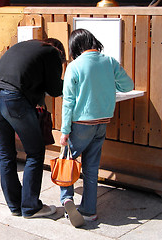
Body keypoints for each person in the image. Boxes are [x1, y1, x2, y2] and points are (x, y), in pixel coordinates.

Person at [59, 29, 134, 227]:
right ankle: (89, 211)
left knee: (67, 160)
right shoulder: (109, 62)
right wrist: (108, 85)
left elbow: (68, 102)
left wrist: (64, 131)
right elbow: (128, 86)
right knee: (91, 168)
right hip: (102, 122)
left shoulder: (74, 67)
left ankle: (67, 199)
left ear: (74, 47)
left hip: (80, 124)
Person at [0, 38, 66, 218]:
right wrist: (74, 83)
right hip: (13, 99)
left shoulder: (24, 46)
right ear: (59, 52)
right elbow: (54, 89)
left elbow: (29, 78)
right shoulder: (52, 53)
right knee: (35, 153)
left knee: (6, 154)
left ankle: (15, 205)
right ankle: (31, 207)